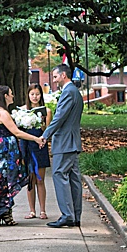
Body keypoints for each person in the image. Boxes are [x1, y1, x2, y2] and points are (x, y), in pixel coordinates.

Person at [0, 85, 41, 227]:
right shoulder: (3, 113)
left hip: (3, 149)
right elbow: (16, 132)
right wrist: (35, 138)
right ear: (5, 96)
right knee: (7, 179)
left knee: (4, 180)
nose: (13, 96)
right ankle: (5, 211)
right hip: (6, 151)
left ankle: (4, 211)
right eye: (11, 93)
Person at [38, 64, 83, 228]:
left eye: (56, 77)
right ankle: (75, 216)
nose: (54, 80)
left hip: (65, 142)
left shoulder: (68, 92)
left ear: (63, 75)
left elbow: (59, 117)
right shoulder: (75, 92)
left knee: (59, 175)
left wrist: (45, 135)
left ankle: (67, 215)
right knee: (73, 178)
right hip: (72, 142)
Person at [19, 83, 50, 219]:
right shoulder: (22, 111)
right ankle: (32, 210)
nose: (35, 97)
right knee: (30, 179)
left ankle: (43, 210)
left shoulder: (46, 111)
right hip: (26, 146)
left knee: (40, 179)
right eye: (32, 94)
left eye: (37, 94)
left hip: (39, 147)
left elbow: (48, 130)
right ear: (28, 95)